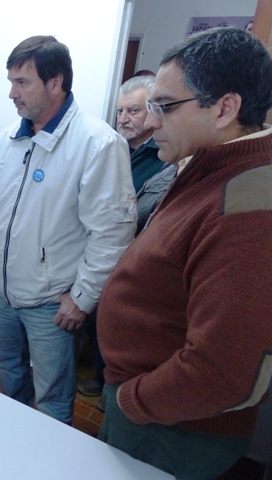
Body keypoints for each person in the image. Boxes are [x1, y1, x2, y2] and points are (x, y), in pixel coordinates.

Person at [97, 27, 272, 479]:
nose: (152, 121)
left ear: (225, 108)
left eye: (165, 107)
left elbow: (223, 370)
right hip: (156, 412)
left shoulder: (248, 203)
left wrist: (133, 401)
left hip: (176, 428)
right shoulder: (209, 169)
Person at [0, 36, 136, 425]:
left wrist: (82, 298)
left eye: (22, 82)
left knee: (54, 395)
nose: (12, 93)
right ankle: (21, 438)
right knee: (7, 369)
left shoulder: (98, 144)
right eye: (11, 81)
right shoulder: (5, 141)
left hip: (52, 303)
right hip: (3, 292)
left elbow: (112, 233)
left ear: (55, 82)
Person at [78, 75, 167, 403]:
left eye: (133, 110)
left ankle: (111, 389)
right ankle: (101, 377)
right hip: (95, 251)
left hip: (135, 257)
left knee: (121, 324)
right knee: (94, 318)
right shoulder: (105, 147)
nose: (123, 118)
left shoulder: (164, 156)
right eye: (119, 111)